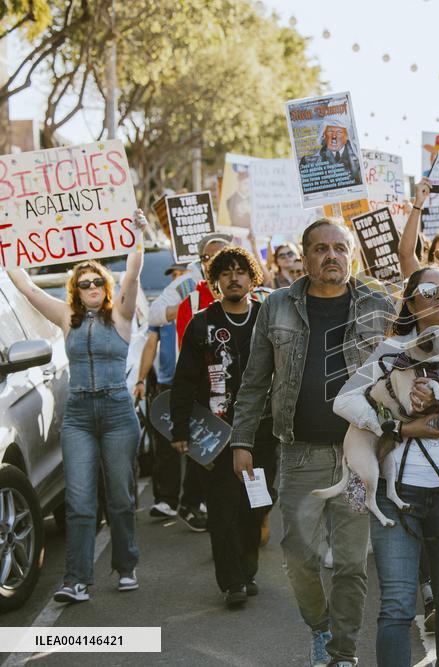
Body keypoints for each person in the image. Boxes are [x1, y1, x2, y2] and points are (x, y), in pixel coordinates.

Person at [230, 218, 394, 667]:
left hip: (358, 457)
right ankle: (320, 627)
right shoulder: (278, 306)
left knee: (350, 563)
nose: (331, 256)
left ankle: (343, 651)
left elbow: (402, 371)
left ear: (352, 255)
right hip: (299, 454)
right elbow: (254, 381)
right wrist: (241, 439)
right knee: (299, 557)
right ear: (304, 257)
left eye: (340, 248)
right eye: (320, 249)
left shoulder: (378, 306)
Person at [335, 267, 439, 667]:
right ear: (410, 303)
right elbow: (344, 401)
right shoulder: (390, 352)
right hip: (399, 496)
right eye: (429, 290)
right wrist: (399, 426)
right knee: (395, 604)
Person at [6, 210, 149, 603]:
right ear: (76, 288)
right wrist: (7, 244)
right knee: (79, 501)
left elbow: (133, 274)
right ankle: (77, 579)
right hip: (79, 417)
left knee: (120, 496)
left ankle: (126, 566)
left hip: (118, 413)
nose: (90, 287)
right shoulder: (67, 318)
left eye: (96, 282)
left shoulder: (120, 315)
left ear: (105, 287)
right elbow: (28, 290)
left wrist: (137, 234)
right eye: (83, 283)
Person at [170, 247, 277, 608]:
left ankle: (247, 572)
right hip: (215, 434)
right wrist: (181, 429)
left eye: (240, 271)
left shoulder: (266, 318)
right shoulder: (201, 323)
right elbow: (183, 381)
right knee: (222, 509)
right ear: (215, 281)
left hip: (262, 432)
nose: (234, 278)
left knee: (256, 505)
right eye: (226, 272)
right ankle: (232, 582)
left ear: (252, 278)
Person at [134, 264, 208, 528]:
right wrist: (142, 379)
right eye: (174, 276)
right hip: (168, 382)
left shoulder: (203, 308)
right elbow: (150, 345)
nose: (177, 280)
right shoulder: (164, 314)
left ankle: (194, 500)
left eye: (182, 275)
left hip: (197, 384)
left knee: (197, 442)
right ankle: (166, 499)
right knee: (166, 442)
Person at [148, 233, 232, 328]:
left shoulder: (241, 281)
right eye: (207, 257)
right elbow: (152, 315)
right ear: (202, 260)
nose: (213, 261)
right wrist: (190, 307)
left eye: (219, 255)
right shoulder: (186, 283)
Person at [298, 121, 362, 187]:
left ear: (346, 136)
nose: (334, 136)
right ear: (323, 135)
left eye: (339, 132)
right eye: (330, 131)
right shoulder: (308, 162)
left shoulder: (359, 160)